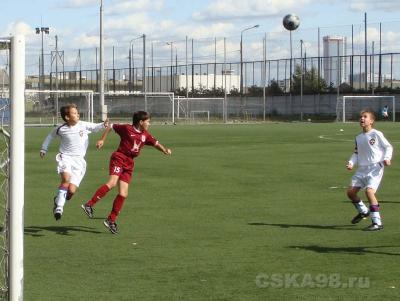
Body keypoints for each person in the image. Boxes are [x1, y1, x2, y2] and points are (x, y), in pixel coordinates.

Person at [81, 110, 172, 234]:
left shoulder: (145, 135)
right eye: (148, 121)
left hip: (129, 163)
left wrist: (164, 150)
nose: (149, 124)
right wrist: (102, 140)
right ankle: (89, 204)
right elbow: (110, 126)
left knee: (123, 194)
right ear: (141, 122)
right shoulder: (126, 128)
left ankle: (111, 220)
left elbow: (155, 143)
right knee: (112, 183)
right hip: (119, 158)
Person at [40, 104, 108, 220]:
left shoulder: (83, 125)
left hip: (79, 162)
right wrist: (44, 148)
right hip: (65, 157)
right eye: (75, 113)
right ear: (67, 117)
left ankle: (57, 200)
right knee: (65, 179)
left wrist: (104, 124)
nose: (78, 115)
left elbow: (96, 127)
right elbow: (50, 136)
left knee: (71, 191)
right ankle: (59, 208)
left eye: (77, 113)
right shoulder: (61, 129)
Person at [346, 109, 393, 231]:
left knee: (369, 192)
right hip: (362, 169)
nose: (362, 118)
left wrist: (387, 158)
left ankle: (377, 222)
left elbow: (388, 147)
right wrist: (351, 162)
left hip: (375, 168)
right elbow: (356, 153)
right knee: (350, 193)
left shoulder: (376, 134)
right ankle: (363, 211)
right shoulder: (358, 137)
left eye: (365, 117)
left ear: (371, 121)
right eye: (361, 117)